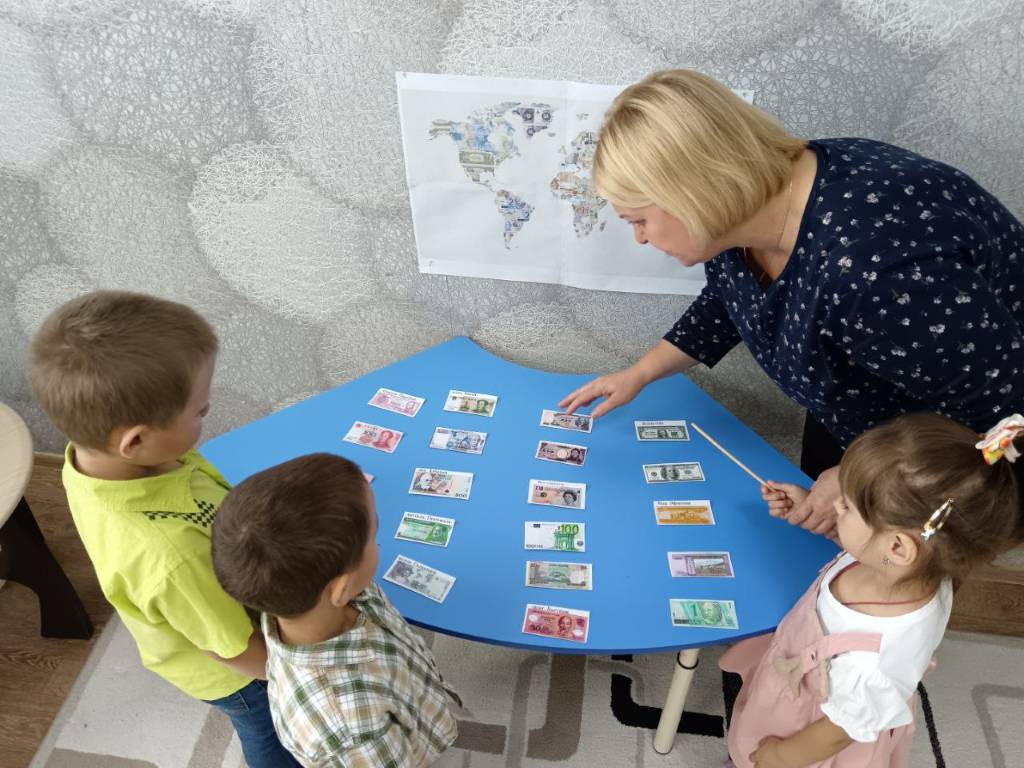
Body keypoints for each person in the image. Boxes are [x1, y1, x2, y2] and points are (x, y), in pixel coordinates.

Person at [560, 68, 1024, 538]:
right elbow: (732, 296)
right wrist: (640, 373)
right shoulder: (747, 207)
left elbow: (1003, 420)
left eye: (637, 220)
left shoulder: (874, 272)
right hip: (860, 412)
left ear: (691, 193)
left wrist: (857, 474)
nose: (639, 238)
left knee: (887, 563)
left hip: (949, 453)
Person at [27, 291, 299, 768]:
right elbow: (232, 649)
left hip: (211, 598)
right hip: (238, 672)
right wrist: (303, 678)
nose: (206, 415)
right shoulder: (170, 555)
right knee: (270, 731)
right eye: (200, 412)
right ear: (136, 441)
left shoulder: (95, 460)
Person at [720, 412, 1022, 767]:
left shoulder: (873, 663)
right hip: (797, 681)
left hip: (811, 732)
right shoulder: (915, 565)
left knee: (760, 754)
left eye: (846, 506)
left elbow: (838, 732)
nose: (835, 506)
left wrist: (780, 756)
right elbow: (863, 549)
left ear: (897, 547)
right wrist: (810, 511)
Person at [211, 453, 461, 767]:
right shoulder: (348, 728)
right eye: (374, 535)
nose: (378, 543)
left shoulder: (311, 596)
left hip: (412, 696)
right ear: (342, 588)